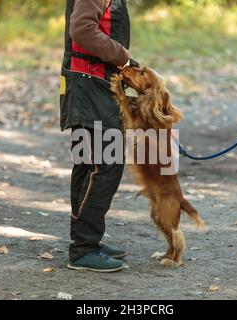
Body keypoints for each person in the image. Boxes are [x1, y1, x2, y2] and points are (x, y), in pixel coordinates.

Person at [60, 0, 138, 272]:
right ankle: (84, 249)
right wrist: (122, 57)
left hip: (90, 83)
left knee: (88, 164)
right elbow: (81, 29)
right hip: (88, 86)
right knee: (107, 164)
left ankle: (85, 241)